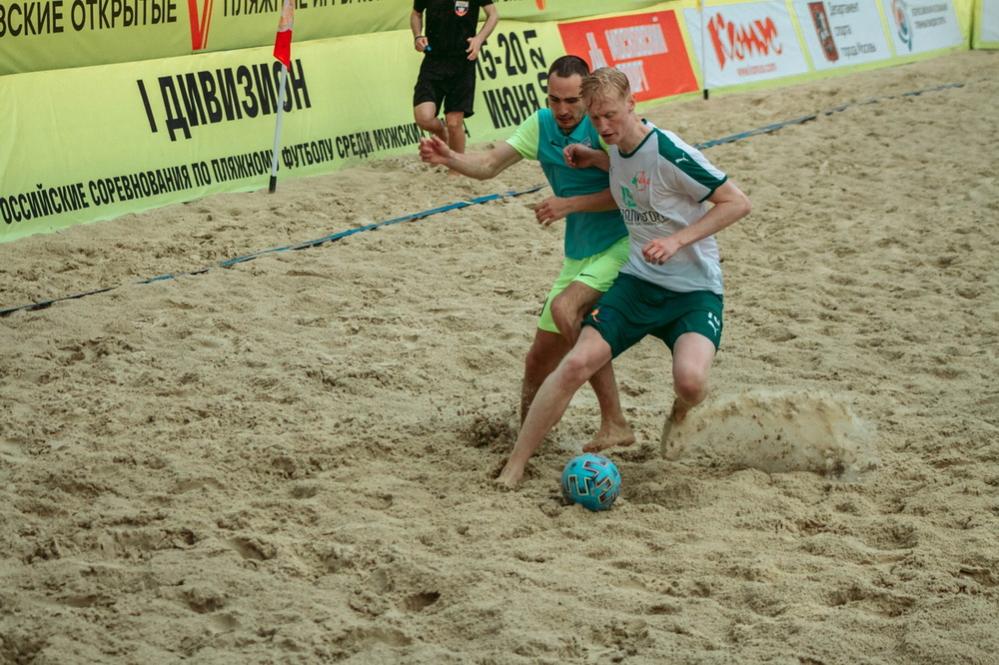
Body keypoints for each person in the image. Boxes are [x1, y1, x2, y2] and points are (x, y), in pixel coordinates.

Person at [495, 67, 752, 488]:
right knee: (576, 361)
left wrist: (677, 240)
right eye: (595, 118)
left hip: (693, 290)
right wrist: (595, 158)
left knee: (691, 383)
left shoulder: (669, 150)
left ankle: (682, 408)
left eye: (611, 115)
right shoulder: (614, 148)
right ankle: (516, 465)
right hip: (638, 280)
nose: (603, 126)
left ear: (633, 105)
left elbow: (737, 202)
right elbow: (624, 170)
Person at [418, 55, 635, 452]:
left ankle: (614, 420)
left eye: (572, 101)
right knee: (537, 361)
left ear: (588, 96)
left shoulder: (605, 124)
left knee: (569, 312)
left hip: (624, 244)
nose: (563, 110)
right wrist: (450, 158)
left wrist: (570, 204)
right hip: (579, 253)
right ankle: (529, 440)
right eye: (555, 99)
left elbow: (634, 191)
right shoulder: (541, 124)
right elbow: (489, 164)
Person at [411, 0, 499, 159]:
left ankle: (456, 168)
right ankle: (441, 132)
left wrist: (479, 39)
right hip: (433, 61)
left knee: (454, 123)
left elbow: (493, 14)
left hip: (463, 62)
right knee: (423, 118)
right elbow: (416, 14)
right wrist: (417, 36)